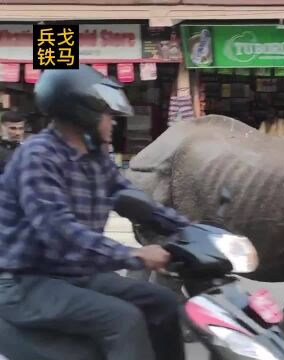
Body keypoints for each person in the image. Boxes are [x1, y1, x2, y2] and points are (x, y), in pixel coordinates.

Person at [0, 65, 189, 360]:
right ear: (81, 112)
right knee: (123, 319)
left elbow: (127, 195)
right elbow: (60, 233)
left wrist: (192, 231)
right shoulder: (38, 156)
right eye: (107, 114)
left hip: (74, 275)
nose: (113, 122)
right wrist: (135, 255)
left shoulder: (95, 157)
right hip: (25, 281)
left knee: (162, 301)